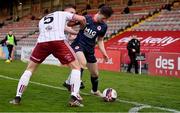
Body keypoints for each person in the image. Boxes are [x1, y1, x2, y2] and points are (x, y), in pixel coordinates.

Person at [9, 8, 86, 107]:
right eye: (72, 12)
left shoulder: (43, 20)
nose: (73, 14)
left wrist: (76, 32)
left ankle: (17, 97)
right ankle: (74, 97)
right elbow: (82, 19)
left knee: (29, 69)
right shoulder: (63, 14)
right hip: (58, 41)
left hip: (42, 43)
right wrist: (82, 29)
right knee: (76, 67)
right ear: (66, 11)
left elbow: (64, 28)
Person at [63, 5, 113, 97]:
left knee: (95, 73)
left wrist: (104, 53)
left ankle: (94, 91)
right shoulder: (86, 18)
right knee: (82, 63)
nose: (104, 20)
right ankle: (75, 90)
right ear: (99, 12)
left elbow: (100, 40)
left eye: (105, 19)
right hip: (78, 45)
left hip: (90, 50)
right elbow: (69, 24)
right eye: (103, 18)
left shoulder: (104, 26)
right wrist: (70, 21)